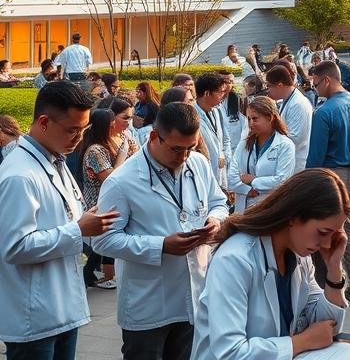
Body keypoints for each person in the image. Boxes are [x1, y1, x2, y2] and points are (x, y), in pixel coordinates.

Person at [92, 101, 229, 360]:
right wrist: (161, 246)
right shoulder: (122, 181)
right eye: (177, 149)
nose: (184, 156)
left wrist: (215, 220)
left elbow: (218, 202)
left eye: (190, 147)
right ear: (155, 136)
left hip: (194, 294)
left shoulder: (197, 164)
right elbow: (103, 241)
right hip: (148, 302)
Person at [0, 81, 118, 360]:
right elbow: (14, 247)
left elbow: (65, 219)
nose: (78, 137)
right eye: (72, 130)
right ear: (43, 122)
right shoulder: (19, 175)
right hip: (34, 318)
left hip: (62, 308)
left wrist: (90, 220)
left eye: (83, 129)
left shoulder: (55, 161)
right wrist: (78, 230)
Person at [191, 169, 350, 359]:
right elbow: (230, 352)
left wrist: (334, 269)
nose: (327, 244)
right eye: (323, 232)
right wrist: (302, 341)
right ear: (293, 217)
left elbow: (326, 329)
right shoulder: (234, 260)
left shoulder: (298, 255)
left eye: (334, 234)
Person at [305, 60, 350, 301]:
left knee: (327, 229)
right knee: (349, 227)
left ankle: (331, 281)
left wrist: (309, 185)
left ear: (327, 80)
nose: (315, 89)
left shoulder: (323, 112)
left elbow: (315, 157)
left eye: (316, 83)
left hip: (330, 174)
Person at [78, 101, 140, 289]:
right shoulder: (95, 150)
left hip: (122, 199)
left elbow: (137, 164)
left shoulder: (123, 140)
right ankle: (98, 274)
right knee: (105, 238)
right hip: (99, 202)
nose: (126, 123)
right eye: (122, 118)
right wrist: (122, 155)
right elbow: (111, 180)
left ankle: (94, 274)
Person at [228, 96, 296, 212]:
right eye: (248, 119)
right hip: (243, 207)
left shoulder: (285, 145)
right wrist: (246, 190)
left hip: (269, 208)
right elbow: (232, 176)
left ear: (270, 117)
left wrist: (253, 180)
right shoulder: (244, 143)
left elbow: (282, 181)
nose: (251, 123)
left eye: (255, 119)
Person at [264, 64, 313, 174]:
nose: (268, 91)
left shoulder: (298, 104)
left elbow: (296, 139)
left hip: (296, 164)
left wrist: (269, 134)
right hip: (287, 162)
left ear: (280, 85)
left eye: (269, 86)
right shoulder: (286, 101)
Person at [193, 72, 233, 190]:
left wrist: (225, 156)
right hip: (203, 172)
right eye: (220, 92)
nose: (223, 95)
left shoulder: (217, 111)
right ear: (207, 93)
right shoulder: (193, 114)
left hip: (221, 170)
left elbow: (225, 138)